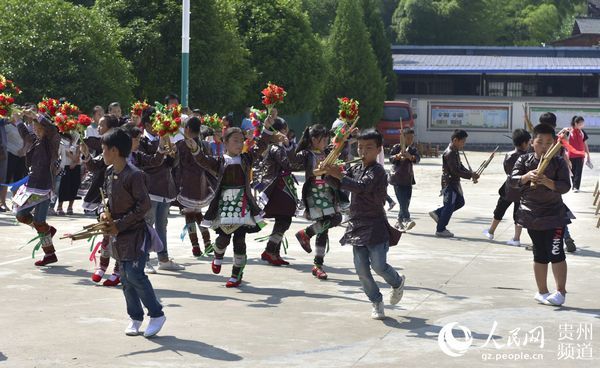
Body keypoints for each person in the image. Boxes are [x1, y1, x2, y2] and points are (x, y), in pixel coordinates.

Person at [323, 129, 405, 320]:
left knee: (379, 266)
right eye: (360, 147)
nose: (363, 151)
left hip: (375, 224)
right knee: (361, 269)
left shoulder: (378, 172)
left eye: (368, 148)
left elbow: (361, 187)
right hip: (356, 224)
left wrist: (339, 176)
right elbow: (339, 183)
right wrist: (328, 173)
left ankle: (397, 282)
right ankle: (376, 301)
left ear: (378, 150)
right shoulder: (355, 168)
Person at [100, 128, 166, 337]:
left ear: (114, 150)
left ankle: (156, 314)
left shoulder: (135, 175)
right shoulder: (110, 173)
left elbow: (143, 206)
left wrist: (120, 224)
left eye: (103, 149)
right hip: (118, 235)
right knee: (125, 279)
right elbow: (107, 201)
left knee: (135, 274)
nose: (101, 153)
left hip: (136, 234)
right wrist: (104, 215)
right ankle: (135, 317)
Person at [185, 126, 271, 287]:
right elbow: (203, 160)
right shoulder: (219, 161)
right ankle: (218, 255)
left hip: (243, 205)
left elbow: (262, 145)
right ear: (225, 142)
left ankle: (236, 274)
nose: (239, 144)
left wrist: (267, 127)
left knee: (240, 240)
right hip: (224, 206)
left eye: (242, 141)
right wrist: (196, 149)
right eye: (235, 141)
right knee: (223, 238)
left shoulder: (246, 159)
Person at [509, 123, 571, 306]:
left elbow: (565, 186)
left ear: (554, 144)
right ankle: (542, 291)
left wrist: (547, 182)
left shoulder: (558, 161)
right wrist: (527, 177)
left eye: (548, 142)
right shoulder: (524, 161)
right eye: (540, 142)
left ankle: (560, 291)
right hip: (531, 215)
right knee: (539, 253)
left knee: (556, 251)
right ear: (532, 143)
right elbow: (512, 181)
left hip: (554, 215)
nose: (544, 146)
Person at [293, 124, 344, 280]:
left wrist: (345, 134)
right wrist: (325, 170)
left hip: (328, 192)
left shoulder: (327, 152)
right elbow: (310, 172)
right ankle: (316, 262)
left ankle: (315, 259)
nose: (326, 141)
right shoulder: (306, 154)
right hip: (314, 193)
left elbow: (338, 148)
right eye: (323, 139)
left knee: (328, 225)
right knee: (332, 221)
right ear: (314, 139)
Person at [13, 112, 61, 266]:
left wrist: (36, 114)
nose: (34, 127)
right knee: (21, 215)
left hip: (45, 187)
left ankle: (50, 254)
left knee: (39, 221)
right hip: (31, 186)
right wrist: (18, 120)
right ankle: (47, 230)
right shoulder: (33, 140)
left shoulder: (51, 141)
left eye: (37, 125)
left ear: (44, 127)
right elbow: (24, 133)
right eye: (33, 124)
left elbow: (53, 129)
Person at [139, 108, 184, 272]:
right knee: (147, 225)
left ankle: (163, 258)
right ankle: (143, 260)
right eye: (155, 123)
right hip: (150, 188)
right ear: (147, 124)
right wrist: (161, 149)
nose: (158, 127)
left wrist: (173, 153)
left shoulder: (164, 138)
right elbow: (147, 164)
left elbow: (173, 164)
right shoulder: (141, 140)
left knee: (161, 225)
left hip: (165, 188)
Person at [254, 117, 297, 266]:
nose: (286, 133)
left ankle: (273, 253)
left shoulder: (276, 147)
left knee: (282, 219)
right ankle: (270, 250)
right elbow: (290, 164)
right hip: (278, 188)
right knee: (285, 219)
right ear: (280, 131)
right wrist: (288, 146)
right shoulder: (276, 148)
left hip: (281, 187)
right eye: (284, 130)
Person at [175, 117, 216, 257]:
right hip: (201, 183)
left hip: (186, 184)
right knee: (198, 214)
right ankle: (208, 243)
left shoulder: (181, 145)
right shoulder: (205, 144)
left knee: (190, 216)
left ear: (186, 129)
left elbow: (176, 165)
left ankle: (196, 246)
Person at [483, 129, 531, 246]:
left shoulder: (509, 156)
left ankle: (491, 231)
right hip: (522, 190)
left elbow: (507, 170)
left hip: (508, 189)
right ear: (524, 143)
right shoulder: (528, 157)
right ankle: (516, 238)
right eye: (529, 142)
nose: (530, 144)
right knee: (518, 215)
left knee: (499, 210)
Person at [538, 112, 577, 252]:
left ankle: (542, 242)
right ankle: (566, 237)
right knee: (557, 209)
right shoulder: (559, 138)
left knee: (541, 211)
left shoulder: (541, 139)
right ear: (554, 125)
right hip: (557, 181)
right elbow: (564, 157)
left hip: (542, 179)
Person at [429, 129, 479, 238]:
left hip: (454, 183)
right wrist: (470, 175)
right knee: (449, 206)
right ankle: (440, 229)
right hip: (449, 183)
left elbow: (460, 166)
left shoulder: (455, 150)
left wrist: (471, 173)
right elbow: (455, 171)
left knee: (460, 202)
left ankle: (438, 213)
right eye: (463, 142)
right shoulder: (450, 153)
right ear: (455, 140)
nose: (463, 144)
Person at [389, 128, 420, 231]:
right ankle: (407, 219)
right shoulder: (397, 147)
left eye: (412, 138)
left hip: (408, 178)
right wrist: (398, 156)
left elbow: (417, 159)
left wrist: (410, 157)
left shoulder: (412, 149)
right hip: (397, 178)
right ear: (403, 138)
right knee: (402, 201)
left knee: (406, 202)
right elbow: (391, 159)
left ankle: (399, 221)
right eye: (408, 138)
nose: (410, 140)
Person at [56, 133, 81, 215]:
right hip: (65, 164)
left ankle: (70, 207)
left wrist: (75, 161)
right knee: (63, 186)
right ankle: (60, 206)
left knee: (74, 185)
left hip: (76, 165)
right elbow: (63, 150)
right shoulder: (60, 135)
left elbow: (79, 148)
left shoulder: (76, 134)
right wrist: (72, 158)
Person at [568, 116, 591, 193]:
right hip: (571, 155)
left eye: (583, 124)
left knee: (578, 171)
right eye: (581, 124)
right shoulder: (569, 131)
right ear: (576, 123)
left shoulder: (582, 132)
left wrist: (588, 154)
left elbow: (585, 144)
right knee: (572, 171)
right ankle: (573, 185)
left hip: (580, 155)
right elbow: (561, 140)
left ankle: (576, 186)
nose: (582, 125)